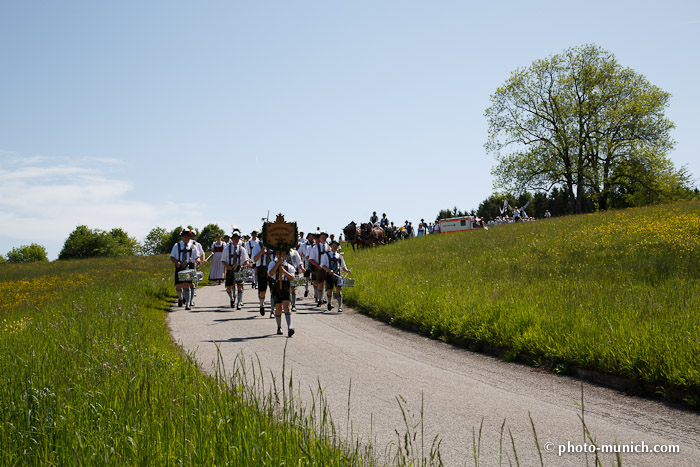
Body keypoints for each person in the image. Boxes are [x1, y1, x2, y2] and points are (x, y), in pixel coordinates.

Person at [169, 229, 200, 311]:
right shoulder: (177, 246)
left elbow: (197, 256)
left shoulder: (193, 246)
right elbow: (171, 256)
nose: (187, 239)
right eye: (185, 237)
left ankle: (188, 304)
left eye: (188, 237)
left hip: (190, 267)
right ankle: (180, 298)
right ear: (182, 237)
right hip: (180, 267)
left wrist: (198, 260)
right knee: (179, 286)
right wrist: (176, 262)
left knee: (188, 285)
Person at [221, 229, 251, 310]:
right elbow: (223, 260)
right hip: (230, 269)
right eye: (234, 238)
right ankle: (231, 299)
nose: (236, 239)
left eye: (237, 238)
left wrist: (247, 264)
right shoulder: (227, 249)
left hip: (239, 269)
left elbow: (245, 260)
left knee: (240, 286)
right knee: (229, 287)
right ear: (232, 238)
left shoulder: (242, 249)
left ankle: (239, 303)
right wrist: (227, 266)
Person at [268, 250, 296, 337]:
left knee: (287, 307)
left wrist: (284, 271)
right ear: (276, 254)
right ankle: (279, 327)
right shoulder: (272, 264)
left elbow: (292, 278)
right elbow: (270, 274)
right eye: (279, 253)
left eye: (283, 253)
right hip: (276, 286)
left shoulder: (289, 266)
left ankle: (290, 328)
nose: (281, 255)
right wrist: (277, 265)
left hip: (286, 286)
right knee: (278, 308)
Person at [320, 240, 351, 312]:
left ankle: (340, 307)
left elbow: (343, 266)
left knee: (339, 290)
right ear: (330, 246)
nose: (335, 247)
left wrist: (347, 270)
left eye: (336, 246)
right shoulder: (326, 255)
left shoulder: (339, 256)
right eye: (333, 246)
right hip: (329, 275)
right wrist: (328, 270)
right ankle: (329, 303)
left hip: (338, 275)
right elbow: (322, 265)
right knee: (329, 290)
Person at [251, 236, 273, 316]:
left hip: (272, 268)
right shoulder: (257, 246)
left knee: (273, 290)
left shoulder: (274, 245)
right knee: (262, 292)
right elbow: (254, 260)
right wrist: (261, 252)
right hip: (262, 269)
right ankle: (261, 305)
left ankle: (272, 310)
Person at [308, 231, 329, 307]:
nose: (324, 238)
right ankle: (320, 300)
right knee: (320, 284)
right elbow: (311, 259)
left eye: (325, 237)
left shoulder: (328, 247)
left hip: (327, 268)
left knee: (328, 284)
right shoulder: (315, 247)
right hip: (319, 268)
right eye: (322, 237)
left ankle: (327, 300)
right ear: (319, 238)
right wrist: (317, 266)